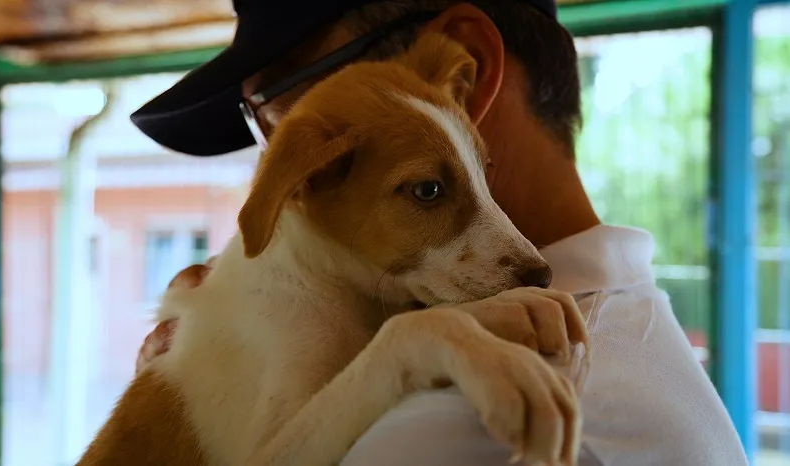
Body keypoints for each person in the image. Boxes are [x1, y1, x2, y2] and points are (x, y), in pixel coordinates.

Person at [130, 0, 748, 464]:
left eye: (282, 102)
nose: (282, 163)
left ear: (465, 71)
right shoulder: (639, 336)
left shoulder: (478, 413)